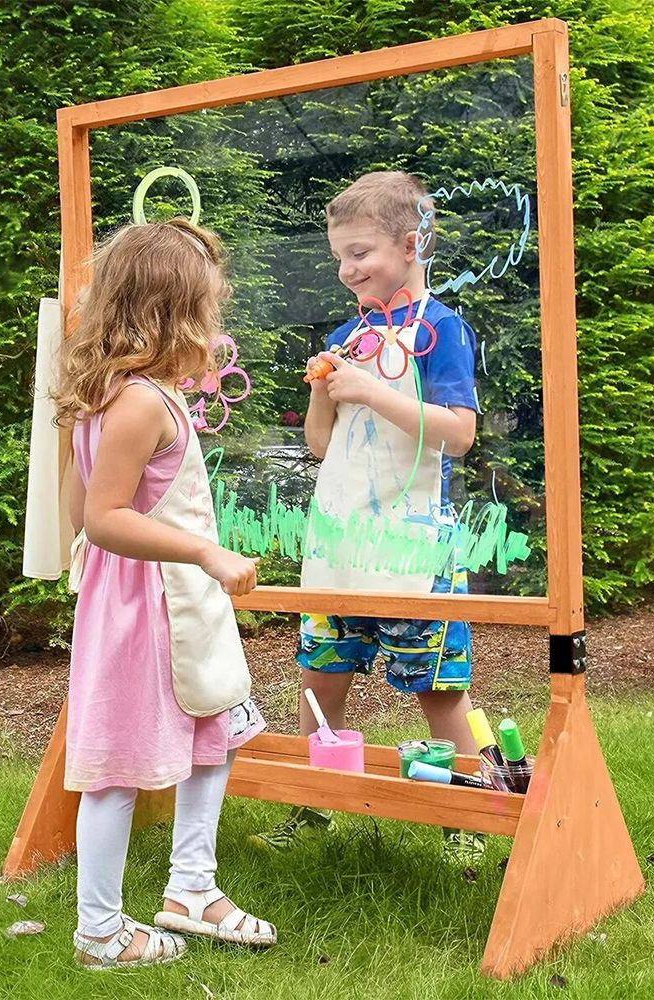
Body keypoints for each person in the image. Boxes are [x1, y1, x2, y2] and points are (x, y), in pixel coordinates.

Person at [53, 218, 277, 970]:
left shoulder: (109, 395)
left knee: (217, 727)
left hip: (169, 603)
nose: (214, 328)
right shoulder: (142, 402)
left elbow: (78, 504)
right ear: (173, 313)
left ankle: (192, 888)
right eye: (207, 310)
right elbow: (102, 517)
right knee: (118, 767)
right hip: (149, 609)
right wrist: (206, 551)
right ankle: (99, 932)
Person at [249, 171, 484, 860]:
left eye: (360, 253)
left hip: (412, 548)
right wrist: (324, 388)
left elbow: (459, 434)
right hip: (338, 542)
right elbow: (321, 445)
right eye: (340, 258)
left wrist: (370, 391)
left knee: (438, 689)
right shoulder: (347, 335)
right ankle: (312, 808)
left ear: (412, 245)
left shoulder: (442, 330)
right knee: (321, 680)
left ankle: (468, 820)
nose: (347, 270)